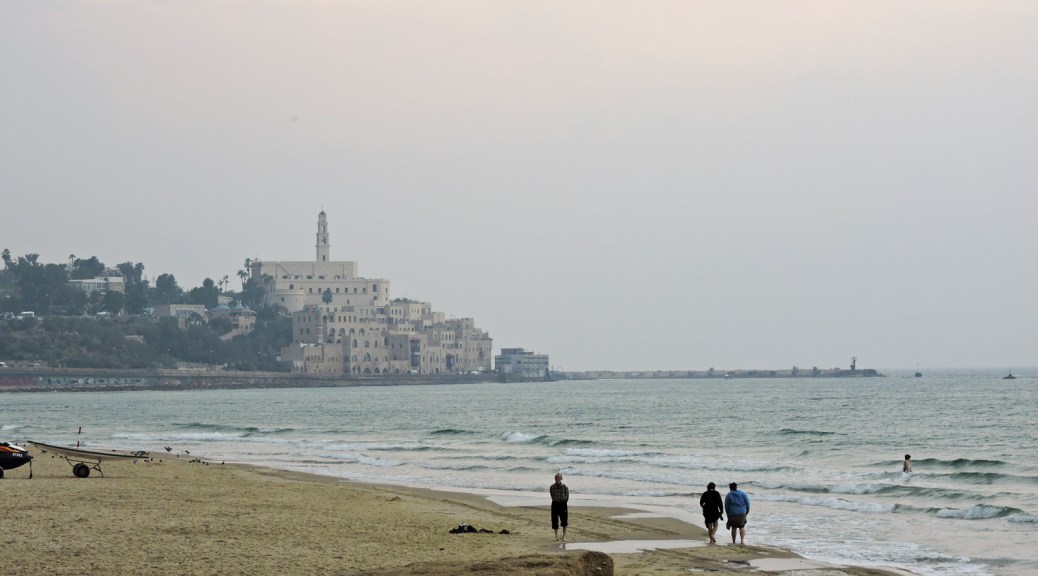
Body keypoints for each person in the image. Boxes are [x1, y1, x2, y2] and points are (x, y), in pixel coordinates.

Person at [549, 472, 569, 541]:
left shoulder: (565, 487)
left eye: (558, 477)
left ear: (561, 478)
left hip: (563, 504)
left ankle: (564, 536)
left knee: (564, 520)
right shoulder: (552, 487)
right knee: (554, 520)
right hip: (555, 504)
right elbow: (552, 495)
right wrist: (556, 500)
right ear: (554, 478)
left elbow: (567, 497)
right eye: (556, 477)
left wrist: (563, 502)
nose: (557, 478)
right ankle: (556, 536)